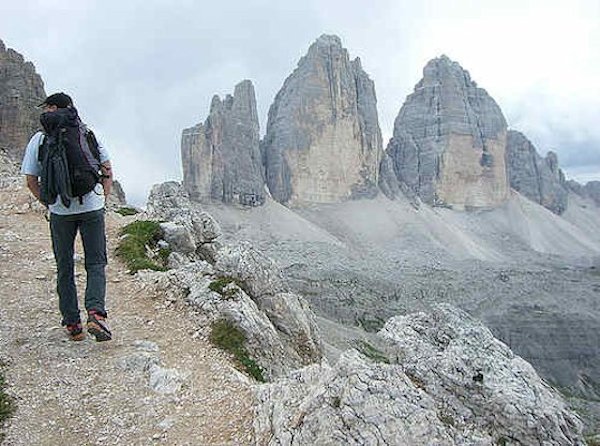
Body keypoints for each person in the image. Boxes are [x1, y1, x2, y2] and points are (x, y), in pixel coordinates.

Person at [21, 92, 113, 341]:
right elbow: (106, 169)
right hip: (92, 206)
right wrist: (102, 199)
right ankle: (96, 313)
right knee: (95, 262)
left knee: (64, 264)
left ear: (52, 108)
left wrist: (50, 202)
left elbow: (30, 180)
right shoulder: (86, 132)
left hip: (60, 211)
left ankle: (72, 324)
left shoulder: (39, 139)